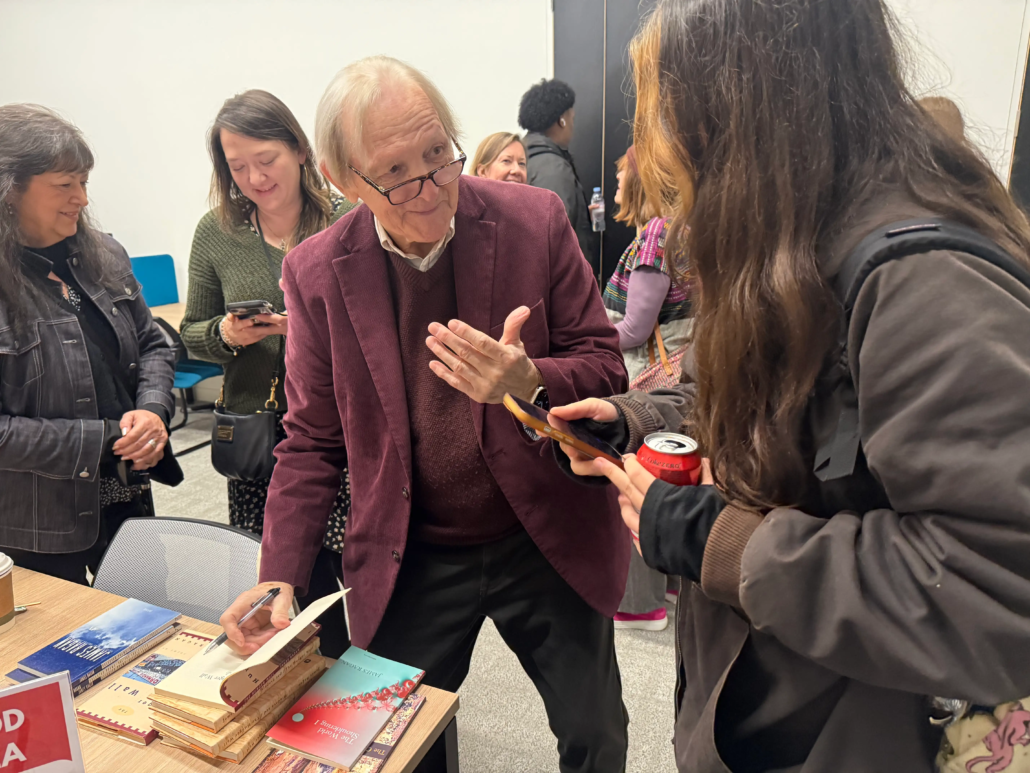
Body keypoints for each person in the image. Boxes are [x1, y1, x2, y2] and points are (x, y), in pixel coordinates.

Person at [552, 0, 1030, 771]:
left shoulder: (922, 279)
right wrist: (629, 415)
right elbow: (720, 387)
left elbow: (997, 585)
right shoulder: (793, 245)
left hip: (861, 730)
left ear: (735, 108)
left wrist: (723, 540)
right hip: (775, 701)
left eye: (665, 114)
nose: (660, 153)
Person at [220, 56, 630, 772]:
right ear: (344, 179)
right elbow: (312, 441)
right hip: (414, 544)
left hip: (541, 529)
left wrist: (530, 376)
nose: (431, 185)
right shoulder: (316, 273)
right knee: (386, 744)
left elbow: (606, 366)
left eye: (438, 153)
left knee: (595, 733)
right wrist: (278, 573)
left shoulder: (531, 219)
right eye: (398, 172)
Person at [180, 90, 353, 657]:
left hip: (338, 429)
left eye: (267, 159)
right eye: (237, 166)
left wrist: (303, 327)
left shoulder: (347, 219)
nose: (254, 177)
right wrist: (228, 335)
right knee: (273, 570)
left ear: (300, 150)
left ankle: (351, 681)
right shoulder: (217, 232)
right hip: (257, 427)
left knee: (343, 563)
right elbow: (192, 333)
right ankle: (293, 678)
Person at [0, 104, 178, 584]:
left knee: (151, 629)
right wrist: (107, 438)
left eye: (83, 182)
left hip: (127, 495)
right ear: (9, 190)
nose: (80, 197)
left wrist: (153, 413)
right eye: (64, 184)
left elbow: (154, 344)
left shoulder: (105, 253)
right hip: (36, 525)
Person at [602, 145, 692, 632]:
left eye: (621, 178)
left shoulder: (657, 234)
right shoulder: (684, 228)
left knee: (634, 471)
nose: (615, 188)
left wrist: (586, 335)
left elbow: (636, 327)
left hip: (651, 373)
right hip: (680, 365)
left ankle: (640, 603)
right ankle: (669, 583)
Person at [519, 79, 596, 270]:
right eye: (572, 119)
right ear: (562, 120)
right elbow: (554, 238)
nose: (572, 126)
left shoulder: (522, 156)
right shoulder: (554, 170)